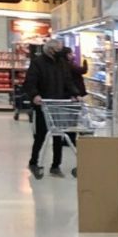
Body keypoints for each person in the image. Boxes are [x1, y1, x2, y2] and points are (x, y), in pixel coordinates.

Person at [24, 39, 79, 179]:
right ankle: (33, 162)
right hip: (43, 104)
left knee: (58, 135)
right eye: (59, 49)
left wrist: (74, 94)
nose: (61, 51)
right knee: (41, 135)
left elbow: (68, 81)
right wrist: (35, 95)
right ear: (50, 50)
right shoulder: (38, 63)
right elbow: (30, 81)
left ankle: (55, 166)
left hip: (58, 103)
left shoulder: (62, 64)